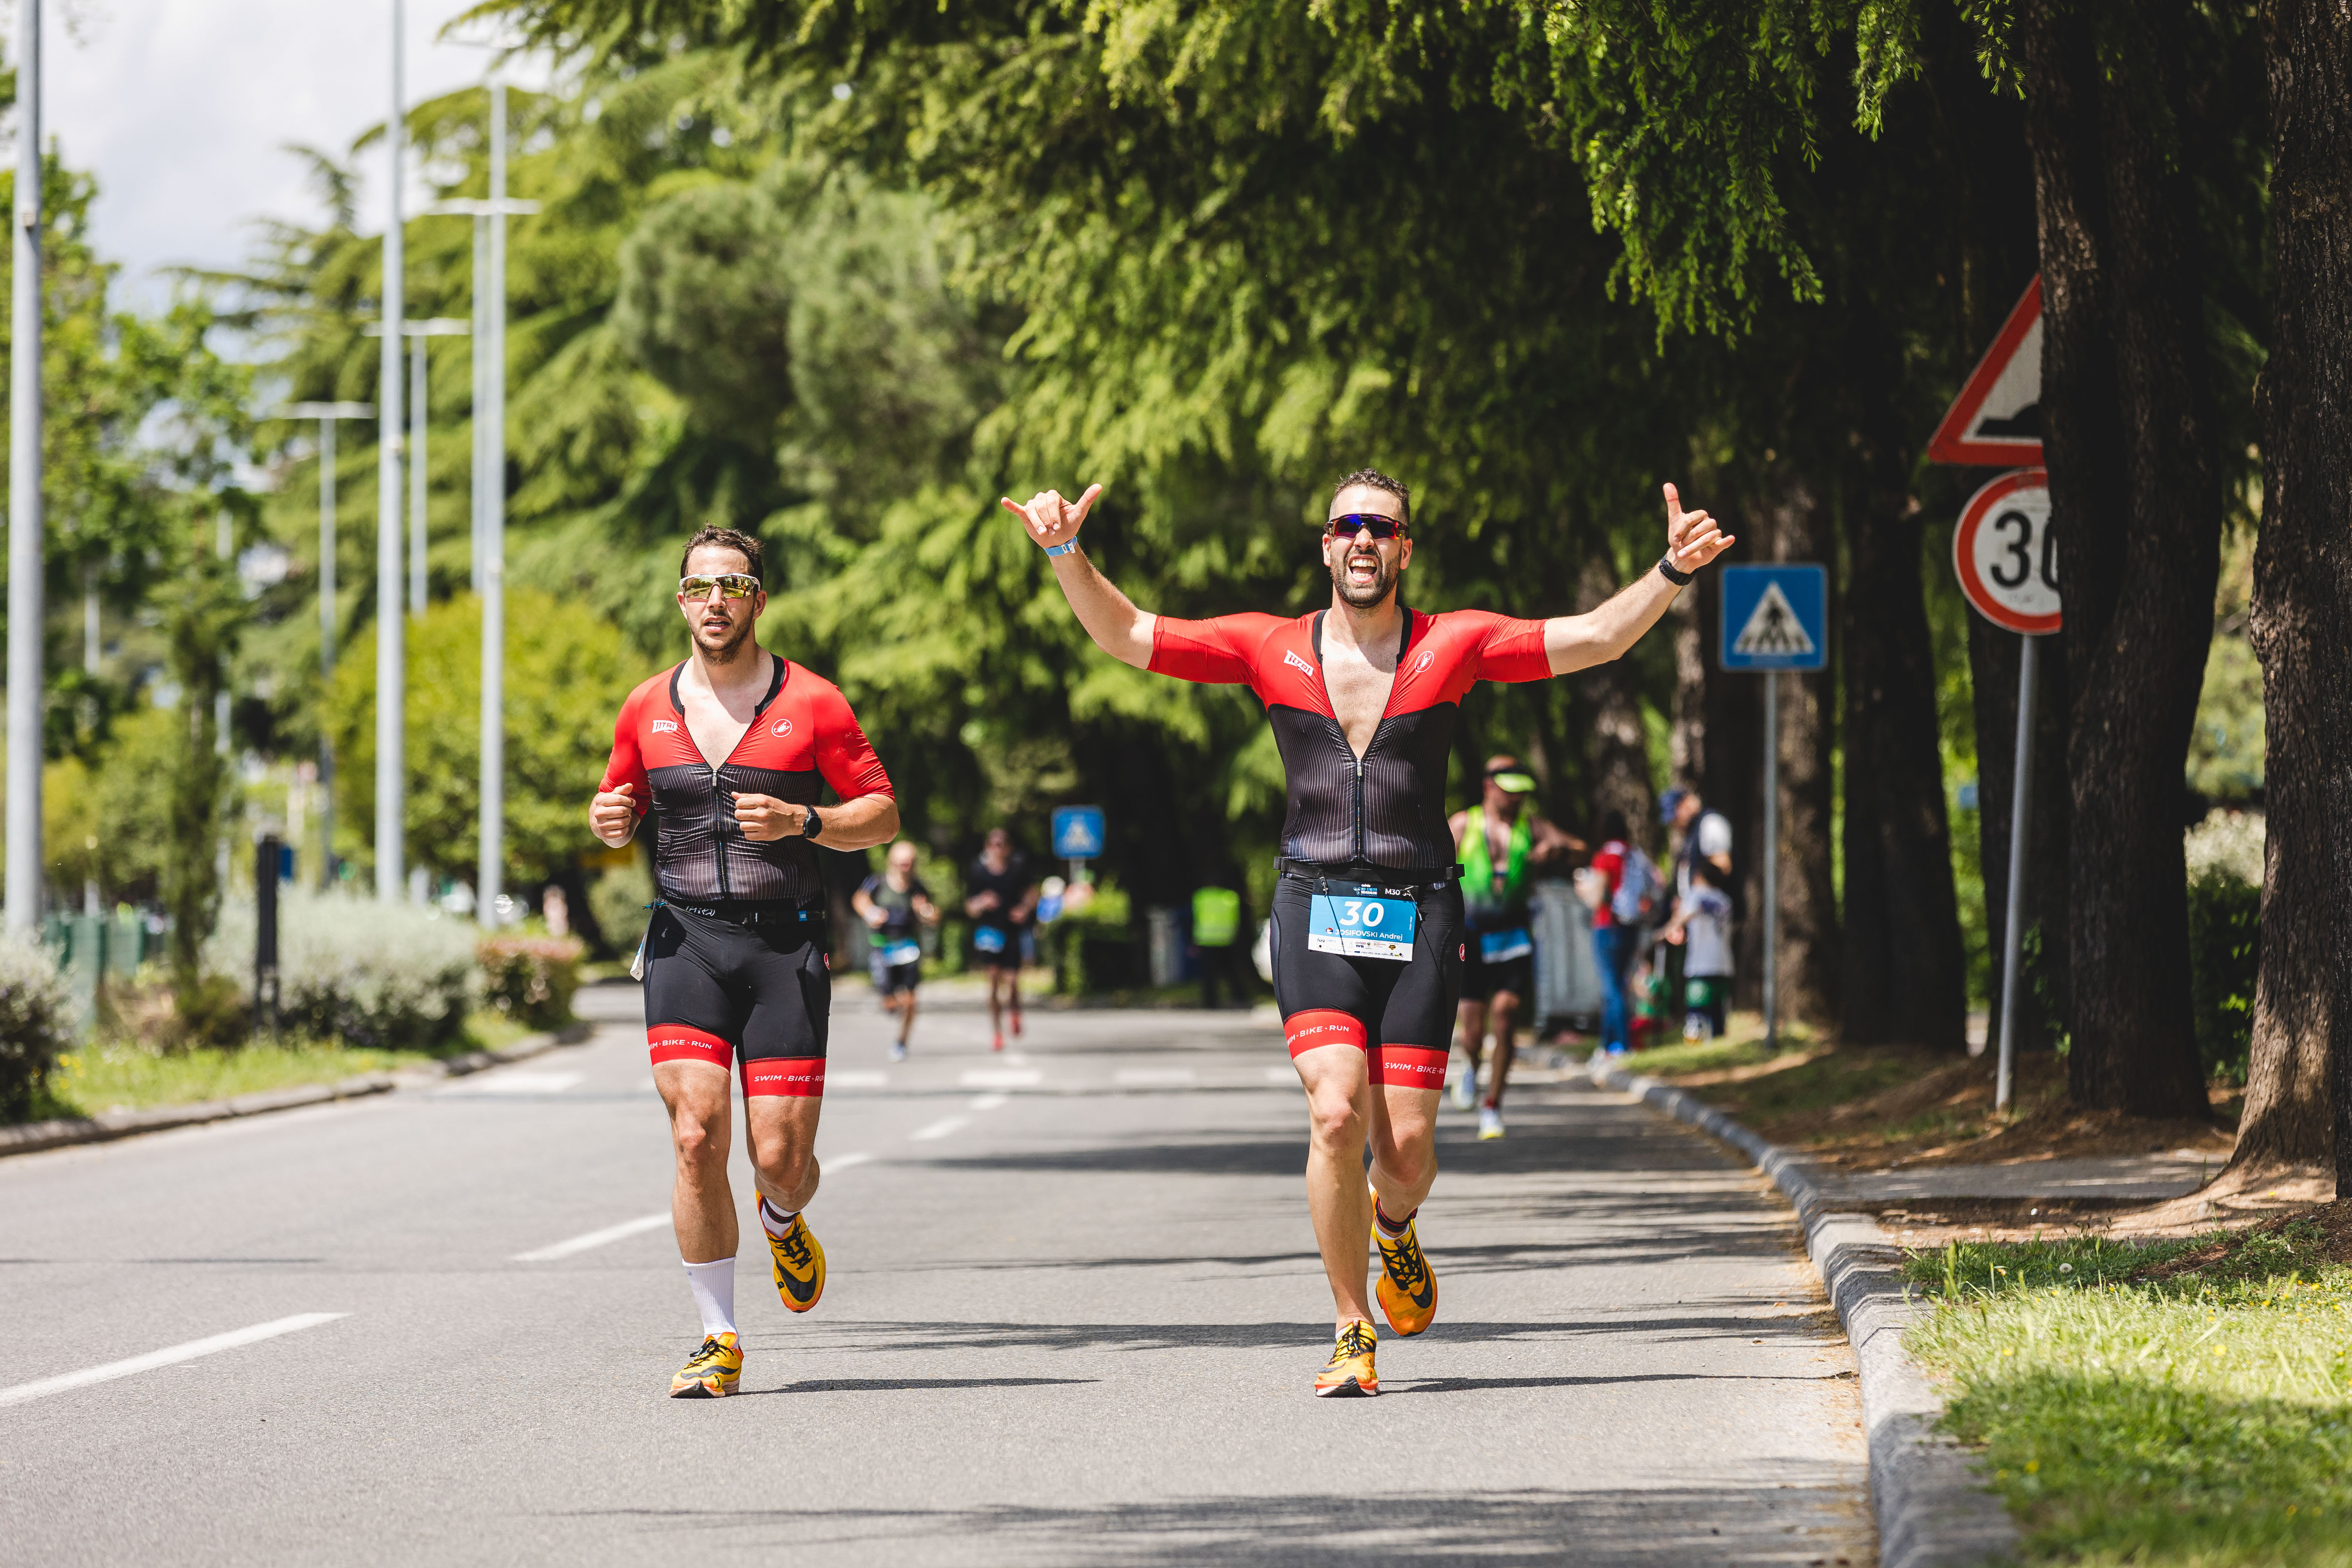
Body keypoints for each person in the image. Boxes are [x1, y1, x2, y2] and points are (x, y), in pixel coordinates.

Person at [1003, 465, 1731, 1396]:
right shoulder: (1270, 647)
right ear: (1325, 544)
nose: (1363, 541)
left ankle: (1395, 1228)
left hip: (1423, 906)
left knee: (1408, 1155)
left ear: (1404, 550)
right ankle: (1351, 1327)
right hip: (1314, 902)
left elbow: (1593, 638)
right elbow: (1129, 632)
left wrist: (1668, 573)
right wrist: (1066, 550)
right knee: (1335, 1111)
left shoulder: (1455, 643)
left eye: (1382, 529)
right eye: (1348, 525)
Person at [589, 525, 901, 1400]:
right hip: (686, 940)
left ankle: (782, 1214)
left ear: (758, 598)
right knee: (695, 1135)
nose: (714, 602)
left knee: (777, 1155)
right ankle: (717, 1336)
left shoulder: (815, 703)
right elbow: (620, 795)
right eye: (698, 588)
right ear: (681, 600)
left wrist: (808, 823)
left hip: (783, 945)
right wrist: (607, 820)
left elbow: (880, 813)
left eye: (732, 586)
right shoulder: (646, 704)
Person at [1448, 757, 1582, 1139]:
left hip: (1513, 935)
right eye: (1511, 789)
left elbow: (1580, 848)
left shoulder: (1532, 827)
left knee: (1505, 1019)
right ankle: (1471, 1066)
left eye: (1523, 790)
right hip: (1470, 935)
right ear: (1489, 786)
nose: (1518, 797)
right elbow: (1429, 865)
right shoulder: (1463, 824)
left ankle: (1493, 1106)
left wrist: (1556, 853)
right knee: (1472, 1031)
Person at [1586, 809, 1664, 1056]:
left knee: (1611, 988)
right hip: (1630, 927)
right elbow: (1658, 883)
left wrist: (1583, 890)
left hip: (1607, 925)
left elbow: (1597, 897)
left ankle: (1622, 1044)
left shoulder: (1605, 857)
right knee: (1620, 985)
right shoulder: (1635, 855)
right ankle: (1607, 1045)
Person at [856, 841, 940, 1061]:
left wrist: (925, 911)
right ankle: (890, 1000)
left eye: (910, 864)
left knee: (911, 1001)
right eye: (902, 864)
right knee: (891, 1003)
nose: (906, 868)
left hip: (908, 947)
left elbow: (934, 915)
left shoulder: (918, 888)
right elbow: (860, 899)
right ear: (892, 863)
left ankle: (901, 1042)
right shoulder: (877, 882)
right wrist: (870, 913)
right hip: (883, 947)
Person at [965, 828, 1038, 1052]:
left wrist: (1024, 910)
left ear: (1009, 848)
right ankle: (997, 1032)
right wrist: (982, 902)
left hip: (1012, 931)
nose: (998, 848)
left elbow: (1033, 894)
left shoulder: (1018, 870)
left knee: (1013, 980)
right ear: (988, 847)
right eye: (994, 844)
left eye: (1002, 844)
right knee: (994, 982)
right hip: (989, 932)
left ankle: (1015, 1011)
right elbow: (970, 907)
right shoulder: (979, 872)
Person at [1661, 856, 1733, 1040]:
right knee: (1718, 1011)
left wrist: (1661, 933)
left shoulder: (1696, 895)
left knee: (1697, 1010)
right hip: (1724, 963)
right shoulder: (1725, 900)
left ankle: (1696, 1041)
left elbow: (1682, 919)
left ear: (1700, 876)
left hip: (1701, 963)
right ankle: (1718, 1040)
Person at [1190, 883, 1247, 1008]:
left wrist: (1194, 941)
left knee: (1209, 974)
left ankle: (1210, 1002)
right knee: (1232, 972)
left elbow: (1195, 918)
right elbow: (1236, 919)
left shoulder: (1201, 896)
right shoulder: (1231, 897)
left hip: (1206, 939)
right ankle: (1240, 998)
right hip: (1227, 939)